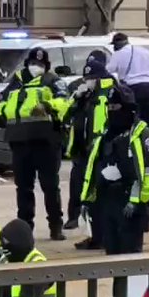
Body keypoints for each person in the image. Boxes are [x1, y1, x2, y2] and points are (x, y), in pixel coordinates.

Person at [80, 84, 149, 297]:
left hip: (131, 206)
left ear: (128, 108)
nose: (111, 110)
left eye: (116, 106)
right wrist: (87, 201)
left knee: (130, 256)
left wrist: (136, 200)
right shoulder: (107, 134)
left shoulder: (144, 136)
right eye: (109, 106)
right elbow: (92, 168)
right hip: (109, 203)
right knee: (115, 255)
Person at [0, 47, 70, 240]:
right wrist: (6, 112)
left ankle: (56, 225)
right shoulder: (17, 81)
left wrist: (48, 106)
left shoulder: (53, 81)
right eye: (32, 63)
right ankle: (25, 227)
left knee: (50, 186)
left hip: (45, 140)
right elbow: (2, 103)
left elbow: (64, 102)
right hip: (20, 141)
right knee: (23, 187)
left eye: (40, 64)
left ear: (46, 66)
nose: (35, 67)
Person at [63, 51, 115, 249]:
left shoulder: (111, 93)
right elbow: (65, 116)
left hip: (102, 152)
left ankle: (102, 237)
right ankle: (93, 235)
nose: (89, 81)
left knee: (100, 195)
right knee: (84, 194)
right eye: (87, 78)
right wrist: (76, 98)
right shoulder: (83, 95)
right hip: (82, 152)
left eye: (93, 78)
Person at [105, 32, 149, 152]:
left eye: (114, 45)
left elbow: (108, 70)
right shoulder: (144, 52)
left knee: (129, 119)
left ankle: (130, 148)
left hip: (131, 89)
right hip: (148, 88)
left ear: (118, 44)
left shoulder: (118, 54)